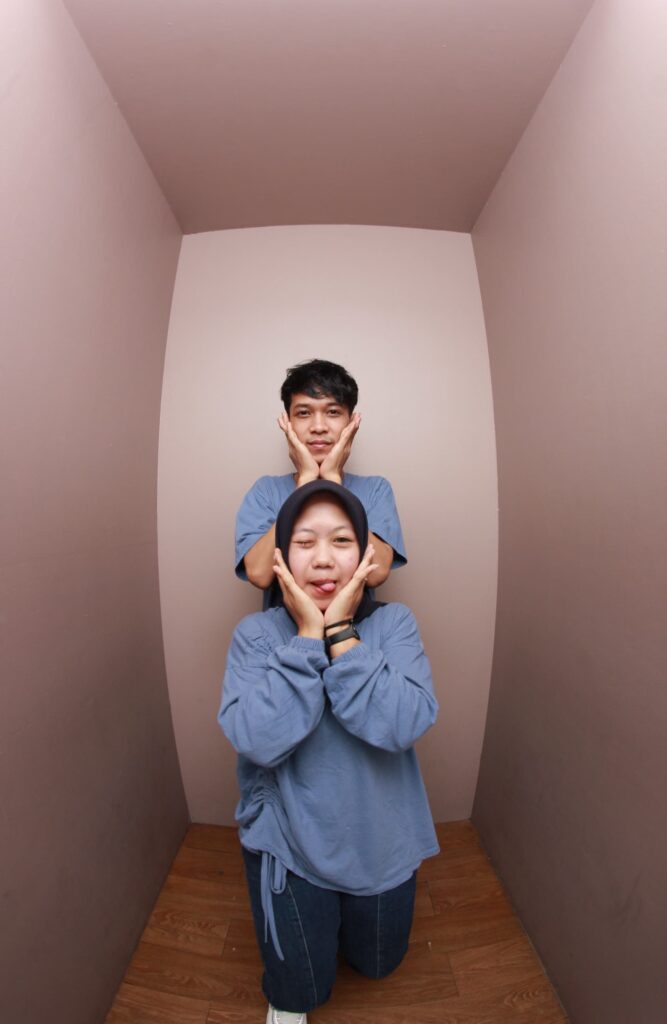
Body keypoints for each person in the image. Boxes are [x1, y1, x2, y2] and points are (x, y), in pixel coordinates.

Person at [219, 480, 439, 1024]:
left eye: (341, 541)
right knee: (301, 989)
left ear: (365, 555)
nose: (322, 559)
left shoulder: (395, 625)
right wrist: (305, 640)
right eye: (304, 542)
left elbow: (405, 723)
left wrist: (339, 633)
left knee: (378, 965)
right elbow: (257, 739)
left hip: (380, 839)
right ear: (281, 557)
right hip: (290, 842)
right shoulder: (256, 635)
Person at [235, 359, 407, 608]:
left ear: (351, 422)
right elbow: (259, 574)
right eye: (303, 413)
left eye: (333, 412)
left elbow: (377, 573)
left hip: (355, 631)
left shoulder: (375, 490)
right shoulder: (266, 492)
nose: (318, 427)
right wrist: (305, 483)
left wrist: (332, 482)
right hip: (284, 633)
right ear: (288, 422)